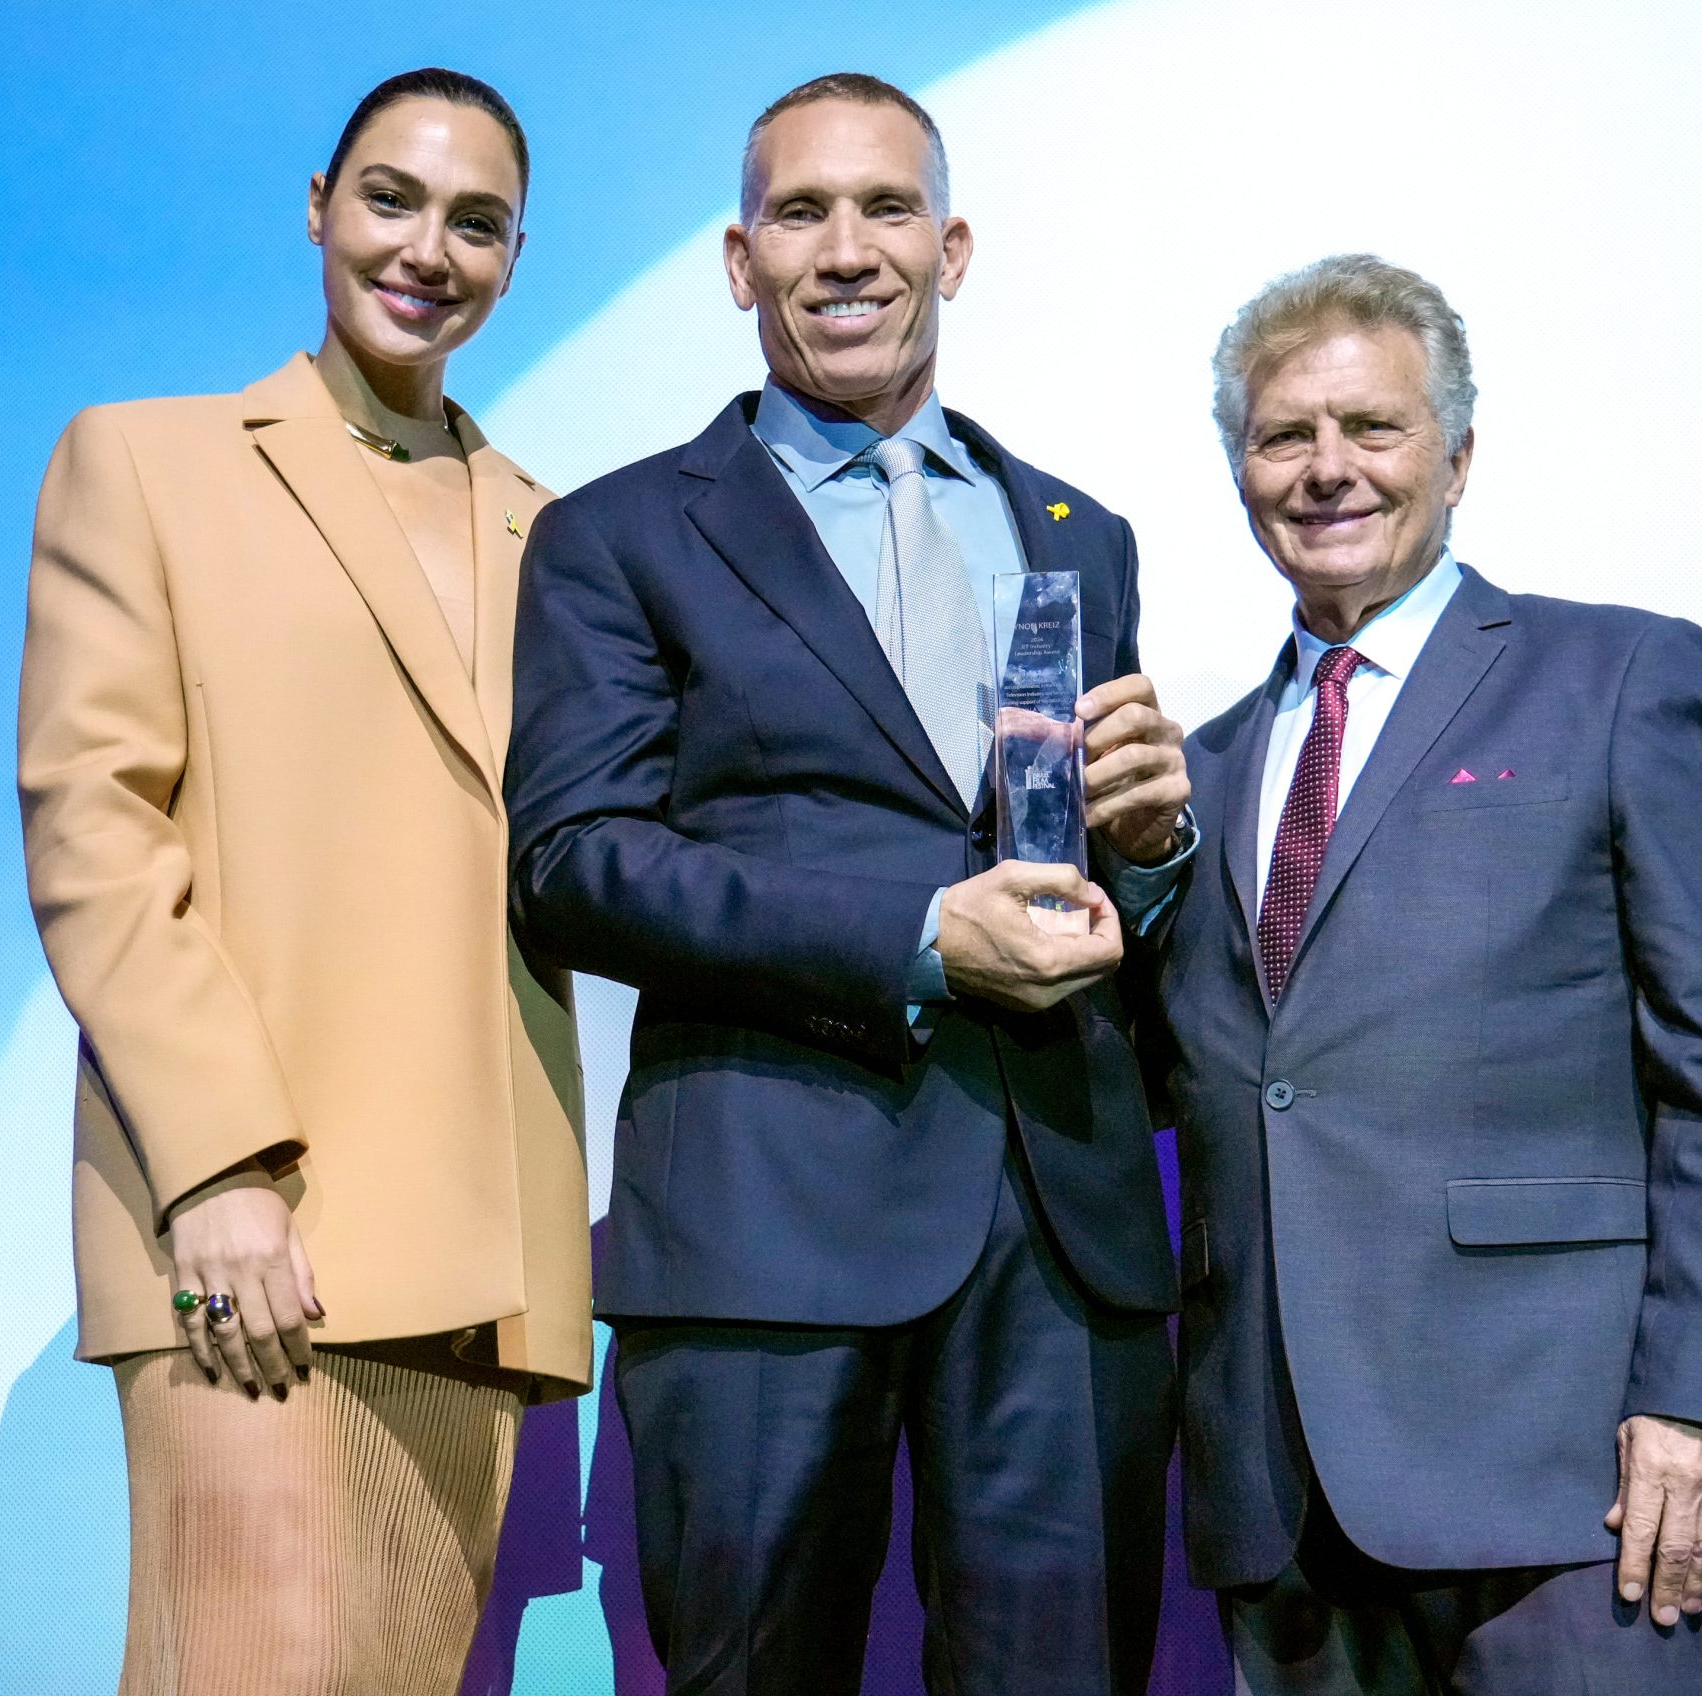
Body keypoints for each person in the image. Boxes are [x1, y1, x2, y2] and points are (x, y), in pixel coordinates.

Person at [505, 72, 1194, 1696]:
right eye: (799, 213)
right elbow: (575, 864)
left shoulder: (1082, 533)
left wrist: (1155, 861)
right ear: (739, 265)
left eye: (886, 208)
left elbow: (1092, 856)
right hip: (763, 1225)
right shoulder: (618, 537)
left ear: (952, 249)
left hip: (1058, 1223)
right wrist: (911, 941)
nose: (846, 250)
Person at [1148, 254, 1702, 1693]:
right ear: (1240, 473)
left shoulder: (1624, 679)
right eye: (1283, 437)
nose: (1327, 470)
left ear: (1457, 456)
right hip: (1282, 1508)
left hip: (1575, 1495)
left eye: (1371, 430)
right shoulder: (1196, 778)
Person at [16, 68, 590, 1695]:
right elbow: (95, 835)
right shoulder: (149, 462)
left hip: (481, 1273)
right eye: (394, 197)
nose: (430, 248)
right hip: (257, 1241)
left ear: (516, 255)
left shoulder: (557, 533)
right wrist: (215, 1173)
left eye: (478, 222)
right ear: (318, 204)